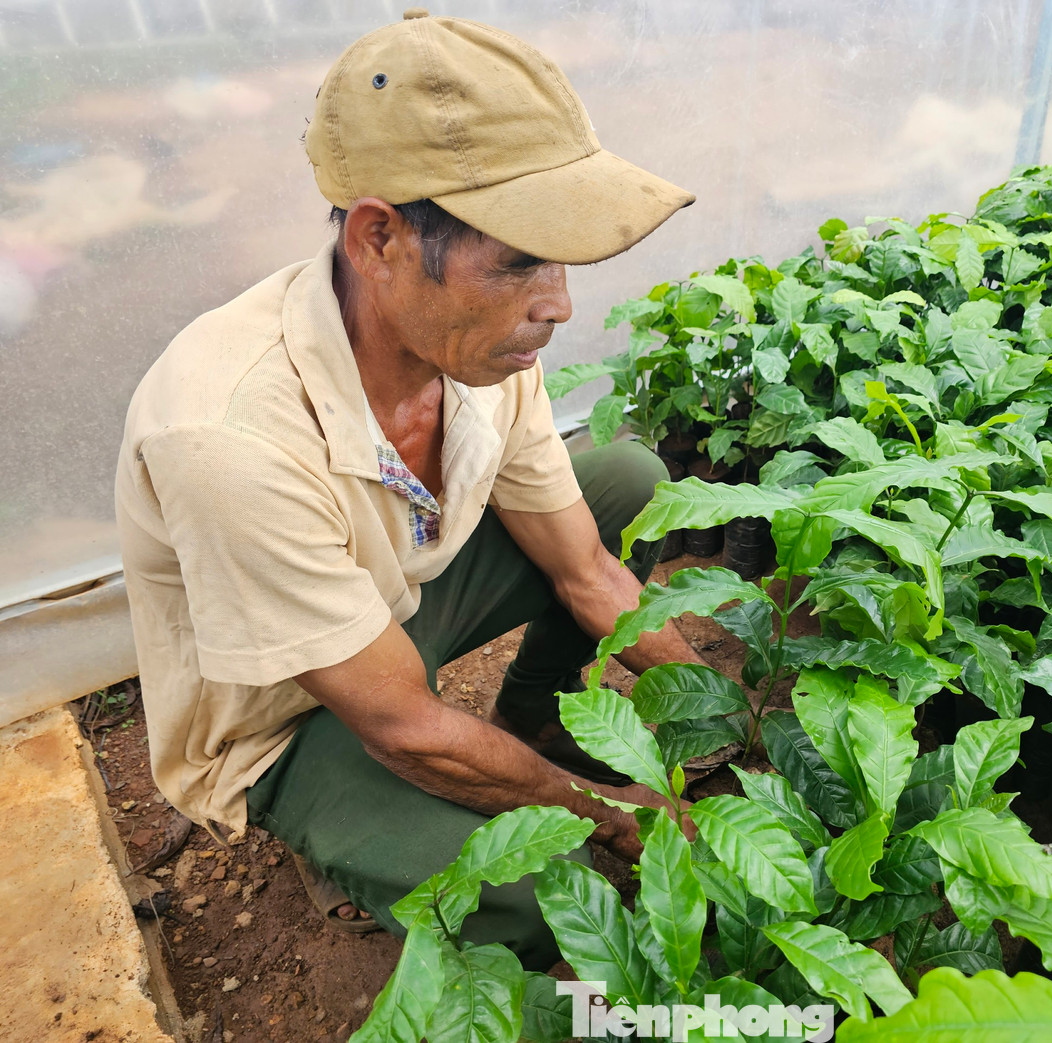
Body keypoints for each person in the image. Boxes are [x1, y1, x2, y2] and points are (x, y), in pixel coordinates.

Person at [114, 9, 700, 968]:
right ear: (381, 238)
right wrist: (603, 811)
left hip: (396, 615)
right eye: (517, 258)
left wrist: (734, 699)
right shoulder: (228, 431)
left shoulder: (483, 346)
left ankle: (530, 722)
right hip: (290, 713)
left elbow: (586, 569)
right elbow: (398, 721)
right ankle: (338, 835)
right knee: (536, 894)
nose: (556, 303)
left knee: (627, 479)